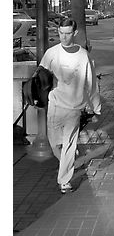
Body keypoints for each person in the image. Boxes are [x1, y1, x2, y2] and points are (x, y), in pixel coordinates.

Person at [39, 17, 101, 194]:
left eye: (67, 34)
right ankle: (66, 162)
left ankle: (64, 180)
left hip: (74, 108)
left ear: (75, 33)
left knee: (69, 145)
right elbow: (40, 76)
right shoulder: (51, 53)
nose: (63, 37)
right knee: (54, 144)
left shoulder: (83, 56)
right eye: (60, 33)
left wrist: (95, 108)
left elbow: (91, 84)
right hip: (55, 106)